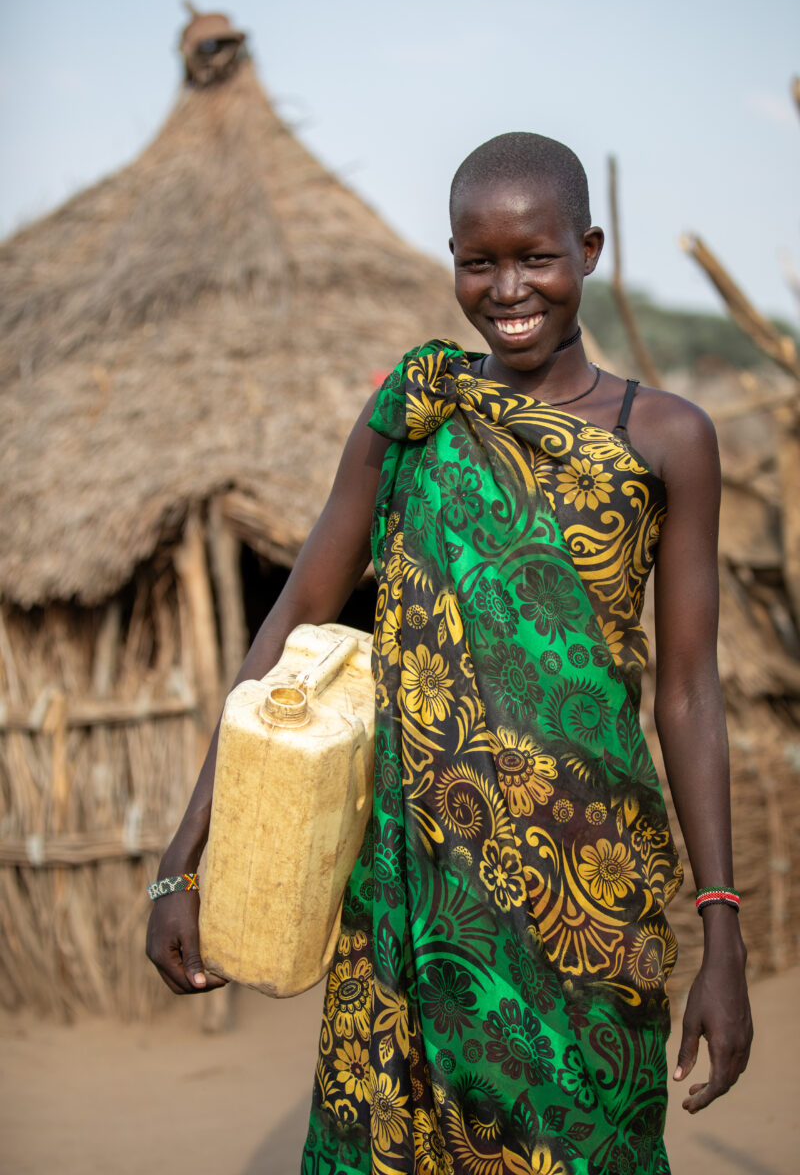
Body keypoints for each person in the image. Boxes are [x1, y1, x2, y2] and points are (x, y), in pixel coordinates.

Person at [147, 133, 752, 1173]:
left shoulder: (666, 437)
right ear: (452, 261)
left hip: (589, 898)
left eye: (536, 257)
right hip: (418, 890)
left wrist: (722, 928)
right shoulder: (412, 417)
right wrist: (181, 857)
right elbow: (296, 615)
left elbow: (689, 693)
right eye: (478, 262)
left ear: (589, 249)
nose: (508, 288)